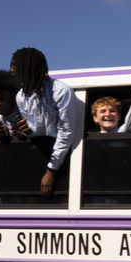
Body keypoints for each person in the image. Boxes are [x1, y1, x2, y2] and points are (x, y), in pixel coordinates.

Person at [10, 47, 80, 196]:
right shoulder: (20, 96)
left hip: (63, 157)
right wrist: (26, 132)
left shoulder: (60, 91)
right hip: (38, 154)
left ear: (30, 67)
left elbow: (66, 133)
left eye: (16, 66)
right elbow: (35, 133)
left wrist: (51, 170)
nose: (12, 70)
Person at [90, 58, 131, 135]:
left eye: (112, 111)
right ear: (95, 118)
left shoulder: (123, 132)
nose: (108, 114)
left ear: (119, 116)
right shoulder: (88, 139)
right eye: (103, 111)